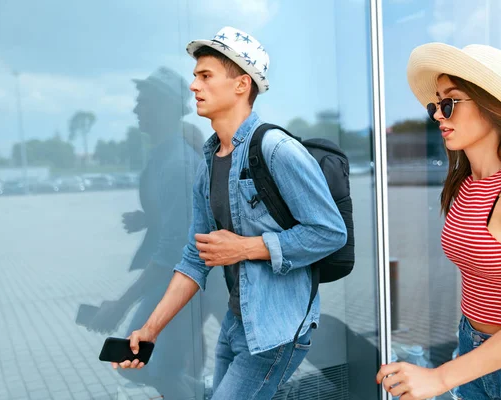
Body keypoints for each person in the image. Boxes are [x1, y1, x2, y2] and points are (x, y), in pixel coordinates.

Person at [111, 26, 347, 400]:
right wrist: (150, 328)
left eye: (205, 76)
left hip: (276, 333)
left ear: (241, 85)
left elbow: (330, 232)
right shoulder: (209, 163)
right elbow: (195, 257)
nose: (194, 86)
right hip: (237, 326)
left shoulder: (277, 149)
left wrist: (246, 248)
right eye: (195, 76)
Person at [377, 43, 501, 400]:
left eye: (450, 102)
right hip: (474, 349)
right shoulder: (466, 184)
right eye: (435, 105)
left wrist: (440, 378)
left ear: (493, 108)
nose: (439, 115)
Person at [87, 66, 204, 397]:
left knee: (136, 362)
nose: (136, 108)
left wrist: (120, 305)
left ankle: (208, 392)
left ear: (167, 107)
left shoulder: (176, 163)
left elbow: (173, 250)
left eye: (145, 101)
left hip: (180, 283)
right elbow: (179, 217)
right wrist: (149, 218)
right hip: (175, 282)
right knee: (158, 366)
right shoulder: (163, 155)